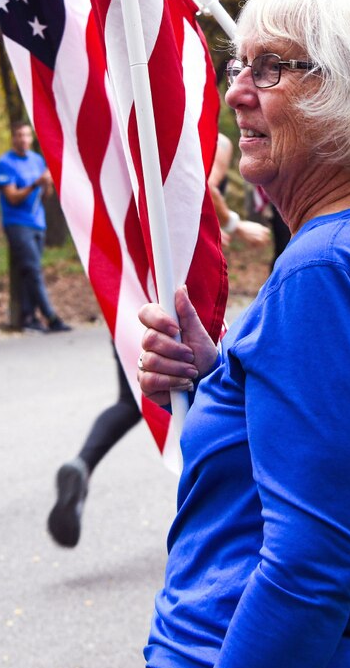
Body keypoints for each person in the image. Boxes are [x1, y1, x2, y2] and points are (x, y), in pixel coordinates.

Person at [136, 0, 350, 668]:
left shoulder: (330, 266)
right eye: (238, 65)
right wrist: (224, 377)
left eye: (271, 68)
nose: (234, 92)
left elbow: (314, 565)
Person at [45, 132, 268, 552]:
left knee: (135, 398)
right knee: (193, 394)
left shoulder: (130, 131)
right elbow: (201, 189)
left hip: (132, 287)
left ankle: (82, 464)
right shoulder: (203, 135)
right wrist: (237, 225)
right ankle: (213, 519)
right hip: (176, 291)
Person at [0, 125, 70, 334]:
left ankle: (28, 317)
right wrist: (35, 183)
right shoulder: (4, 164)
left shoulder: (37, 160)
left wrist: (46, 184)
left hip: (38, 222)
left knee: (30, 270)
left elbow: (45, 196)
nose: (24, 139)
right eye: (19, 135)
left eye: (27, 135)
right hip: (17, 223)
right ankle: (52, 317)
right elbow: (12, 197)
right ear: (13, 138)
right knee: (33, 271)